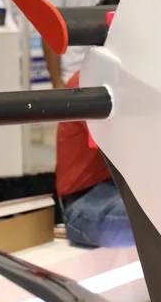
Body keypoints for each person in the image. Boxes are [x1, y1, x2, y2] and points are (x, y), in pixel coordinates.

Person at [56, 71, 134, 248]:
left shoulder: (129, 81)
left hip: (118, 192)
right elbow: (124, 146)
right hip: (86, 201)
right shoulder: (87, 84)